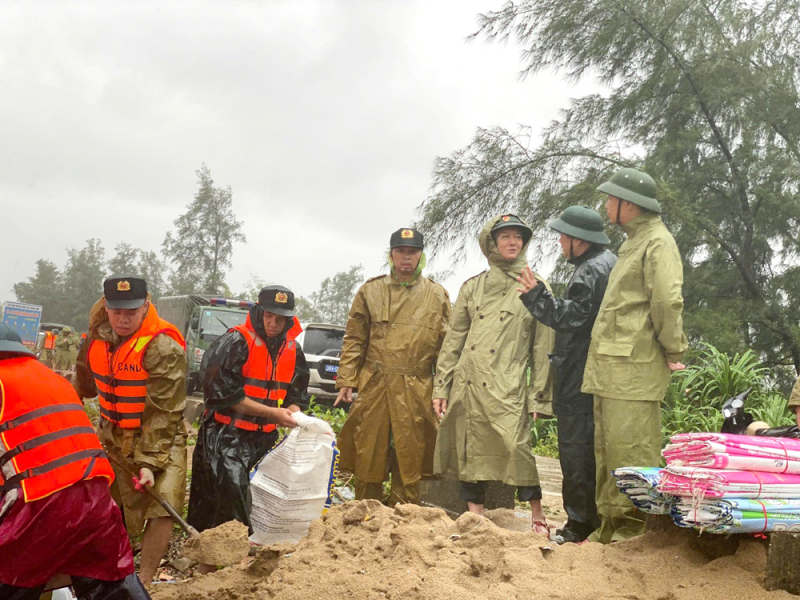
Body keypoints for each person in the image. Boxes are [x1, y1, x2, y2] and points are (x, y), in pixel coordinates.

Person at [0, 324, 150, 600]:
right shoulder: (53, 378)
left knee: (11, 580)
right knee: (112, 585)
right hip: (97, 499)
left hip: (38, 505)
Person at [582, 168, 688, 543]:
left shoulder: (658, 242)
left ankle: (635, 533)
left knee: (632, 451)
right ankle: (610, 529)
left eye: (612, 199)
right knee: (609, 451)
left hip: (634, 368)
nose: (607, 205)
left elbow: (666, 301)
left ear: (630, 205)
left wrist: (674, 348)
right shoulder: (635, 242)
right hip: (613, 367)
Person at [433, 214, 555, 533]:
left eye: (518, 237)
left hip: (509, 385)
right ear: (492, 244)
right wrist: (441, 388)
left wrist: (539, 396)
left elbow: (543, 348)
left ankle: (538, 516)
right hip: (468, 382)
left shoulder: (535, 285)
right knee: (469, 447)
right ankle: (476, 514)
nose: (512, 242)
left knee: (518, 448)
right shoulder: (472, 287)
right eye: (505, 237)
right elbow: (454, 340)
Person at [74, 275, 188, 584]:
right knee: (106, 505)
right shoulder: (93, 339)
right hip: (112, 434)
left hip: (162, 435)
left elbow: (165, 412)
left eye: (132, 312)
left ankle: (146, 581)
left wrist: (149, 463)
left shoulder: (164, 347)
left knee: (163, 502)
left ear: (146, 305)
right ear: (106, 307)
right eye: (116, 311)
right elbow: (81, 387)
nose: (123, 319)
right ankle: (110, 573)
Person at [187, 284, 308, 569]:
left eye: (280, 318)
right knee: (228, 492)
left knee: (262, 497)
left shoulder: (293, 349)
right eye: (268, 316)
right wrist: (274, 414)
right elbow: (225, 396)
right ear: (259, 311)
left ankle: (248, 554)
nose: (273, 323)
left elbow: (296, 396)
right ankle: (217, 562)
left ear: (289, 319)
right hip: (226, 433)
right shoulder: (235, 342)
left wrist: (293, 414)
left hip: (264, 437)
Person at [516, 206, 617, 543]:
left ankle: (578, 525)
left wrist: (536, 297)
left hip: (579, 371)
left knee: (575, 451)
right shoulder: (608, 263)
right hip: (596, 369)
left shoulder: (590, 271)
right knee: (592, 450)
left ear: (578, 239)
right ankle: (595, 519)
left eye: (562, 235)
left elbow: (574, 317)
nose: (559, 241)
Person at [335, 228, 451, 505]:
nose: (406, 258)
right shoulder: (370, 291)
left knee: (410, 454)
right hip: (376, 384)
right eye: (401, 252)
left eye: (412, 252)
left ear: (422, 256)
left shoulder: (437, 295)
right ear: (391, 255)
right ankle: (365, 514)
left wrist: (443, 389)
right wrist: (347, 379)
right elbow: (354, 339)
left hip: (416, 386)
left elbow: (448, 348)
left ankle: (405, 516)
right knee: (368, 452)